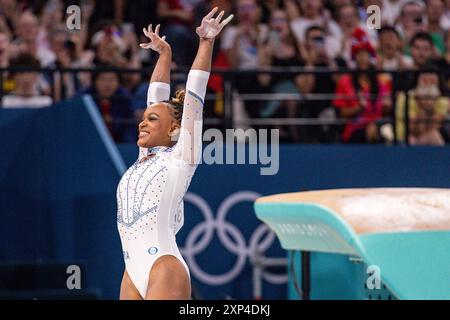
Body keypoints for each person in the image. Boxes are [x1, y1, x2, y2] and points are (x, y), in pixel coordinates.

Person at [117, 8, 233, 300]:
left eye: (153, 120)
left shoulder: (182, 156)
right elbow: (155, 96)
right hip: (132, 270)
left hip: (163, 267)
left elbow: (196, 92)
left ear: (175, 129)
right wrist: (164, 54)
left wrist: (206, 42)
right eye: (143, 118)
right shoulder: (144, 156)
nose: (143, 121)